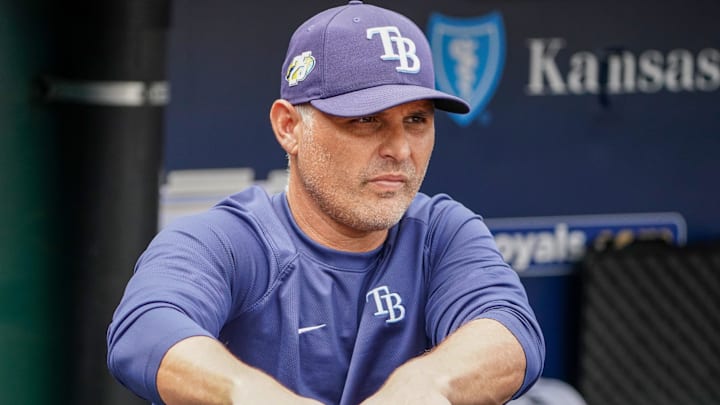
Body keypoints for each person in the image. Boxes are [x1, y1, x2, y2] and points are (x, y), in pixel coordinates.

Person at [107, 1, 545, 404]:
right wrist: (254, 394)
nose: (400, 149)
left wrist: (426, 385)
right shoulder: (228, 240)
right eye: (366, 120)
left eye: (416, 120)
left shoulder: (441, 233)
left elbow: (510, 332)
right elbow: (143, 329)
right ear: (289, 126)